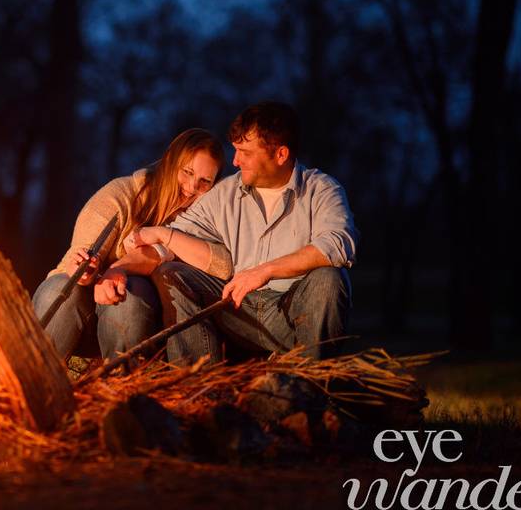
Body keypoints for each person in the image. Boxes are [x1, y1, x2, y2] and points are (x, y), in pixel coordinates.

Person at [127, 101, 358, 362]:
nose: (235, 161)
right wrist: (125, 263)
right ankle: (198, 387)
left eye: (245, 152)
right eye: (236, 150)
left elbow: (338, 244)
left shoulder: (322, 189)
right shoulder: (225, 193)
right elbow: (174, 237)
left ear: (281, 155)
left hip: (293, 312)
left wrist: (265, 270)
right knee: (172, 273)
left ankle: (306, 384)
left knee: (329, 277)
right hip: (237, 309)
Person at [33, 128, 224, 361]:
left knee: (129, 294)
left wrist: (126, 265)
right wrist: (84, 271)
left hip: (145, 325)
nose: (192, 187)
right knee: (59, 287)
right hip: (87, 311)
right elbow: (79, 253)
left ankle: (120, 386)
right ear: (169, 163)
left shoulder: (203, 220)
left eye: (205, 181)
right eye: (187, 172)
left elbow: (222, 263)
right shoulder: (122, 195)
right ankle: (32, 379)